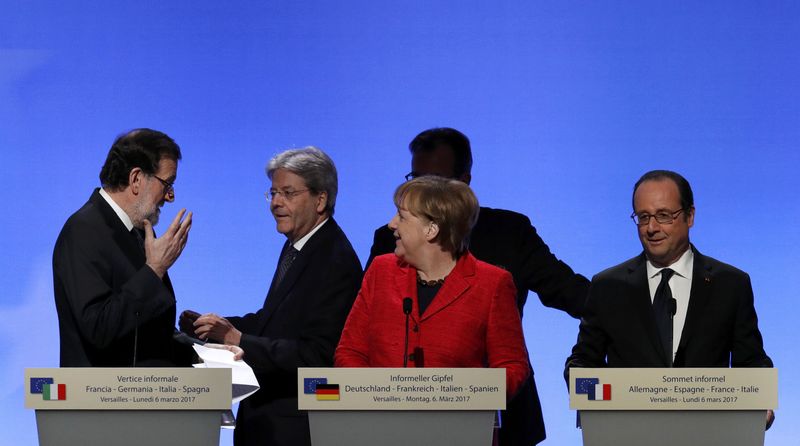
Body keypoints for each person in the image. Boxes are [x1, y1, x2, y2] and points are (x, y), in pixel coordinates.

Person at [367, 127, 589, 445]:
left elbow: (569, 291)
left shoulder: (510, 232)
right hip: (403, 416)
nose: (422, 190)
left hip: (500, 420)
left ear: (465, 183)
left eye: (435, 181)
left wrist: (634, 303)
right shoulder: (390, 239)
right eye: (415, 179)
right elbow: (360, 327)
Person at [181, 147, 363, 446]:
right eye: (273, 193)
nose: (276, 203)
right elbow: (276, 321)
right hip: (268, 424)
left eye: (288, 193)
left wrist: (238, 339)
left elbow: (316, 356)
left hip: (294, 429)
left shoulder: (335, 260)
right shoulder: (299, 245)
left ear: (321, 199)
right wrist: (217, 328)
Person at [565, 169, 774, 427]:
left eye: (663, 216)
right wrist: (597, 407)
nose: (652, 228)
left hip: (708, 434)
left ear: (690, 216)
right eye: (643, 217)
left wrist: (760, 402)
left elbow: (751, 361)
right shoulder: (608, 286)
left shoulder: (730, 284)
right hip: (629, 434)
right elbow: (582, 363)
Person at [336, 176, 530, 400]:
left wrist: (461, 394)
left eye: (402, 216)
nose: (391, 224)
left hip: (460, 430)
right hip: (379, 426)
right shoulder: (381, 271)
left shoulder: (492, 283)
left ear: (431, 230)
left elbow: (512, 368)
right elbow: (350, 352)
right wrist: (377, 396)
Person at [52, 128, 194, 367]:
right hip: (104, 400)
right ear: (136, 179)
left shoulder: (137, 230)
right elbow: (99, 328)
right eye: (167, 184)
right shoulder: (83, 230)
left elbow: (145, 331)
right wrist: (154, 270)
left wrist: (207, 351)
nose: (170, 197)